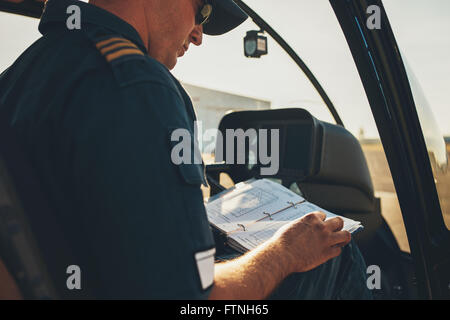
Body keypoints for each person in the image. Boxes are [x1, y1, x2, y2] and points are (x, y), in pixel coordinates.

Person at [0, 0, 372, 299]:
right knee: (333, 254)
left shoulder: (22, 74)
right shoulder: (137, 84)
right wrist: (285, 251)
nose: (198, 35)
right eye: (203, 10)